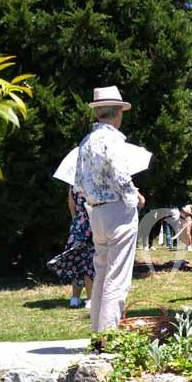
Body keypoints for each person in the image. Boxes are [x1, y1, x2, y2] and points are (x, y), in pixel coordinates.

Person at [74, 86, 145, 332]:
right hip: (117, 211)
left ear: (97, 113)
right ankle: (109, 335)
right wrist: (134, 197)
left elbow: (78, 184)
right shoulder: (113, 140)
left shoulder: (86, 142)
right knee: (118, 276)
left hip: (96, 212)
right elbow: (121, 176)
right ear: (118, 113)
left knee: (102, 274)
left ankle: (98, 333)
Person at [47, 187, 95, 308]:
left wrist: (75, 219)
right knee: (90, 263)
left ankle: (75, 298)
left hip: (78, 225)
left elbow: (71, 205)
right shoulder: (93, 180)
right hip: (93, 223)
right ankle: (90, 299)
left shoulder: (73, 184)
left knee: (76, 261)